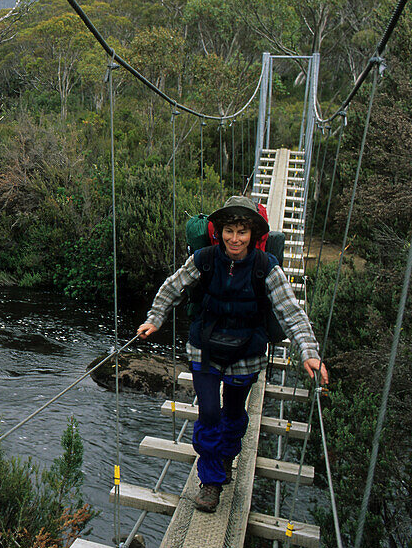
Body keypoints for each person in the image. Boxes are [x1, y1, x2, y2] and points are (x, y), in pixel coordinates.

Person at [135, 196, 329, 513]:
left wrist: (308, 352)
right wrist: (155, 318)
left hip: (247, 352)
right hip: (205, 346)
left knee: (235, 414)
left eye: (242, 232)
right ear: (220, 231)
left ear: (253, 234)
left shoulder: (267, 268)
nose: (234, 239)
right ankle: (210, 482)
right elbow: (173, 287)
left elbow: (292, 314)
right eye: (229, 231)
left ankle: (227, 453)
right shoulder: (205, 259)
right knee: (210, 413)